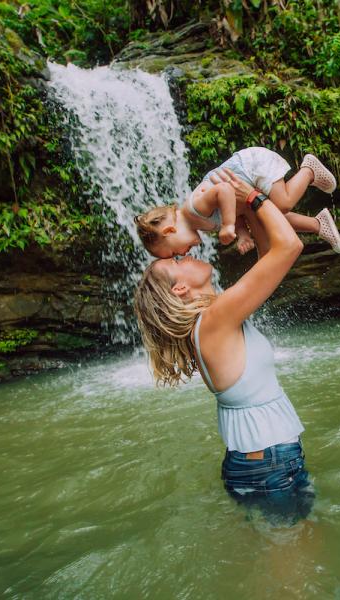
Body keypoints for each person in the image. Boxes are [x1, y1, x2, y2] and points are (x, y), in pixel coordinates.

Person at [134, 168, 314, 523]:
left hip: (259, 461)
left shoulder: (209, 324)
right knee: (297, 563)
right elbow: (290, 246)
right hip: (269, 463)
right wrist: (251, 196)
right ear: (180, 290)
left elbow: (269, 258)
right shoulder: (215, 320)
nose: (187, 251)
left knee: (283, 556)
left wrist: (249, 212)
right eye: (177, 261)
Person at [134, 146, 340, 258]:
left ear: (169, 231)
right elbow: (236, 209)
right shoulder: (200, 223)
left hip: (251, 166)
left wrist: (227, 226)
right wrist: (242, 234)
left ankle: (308, 170)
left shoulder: (194, 208)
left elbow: (224, 190)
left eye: (173, 253)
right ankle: (317, 224)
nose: (180, 255)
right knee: (267, 217)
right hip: (247, 189)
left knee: (283, 204)